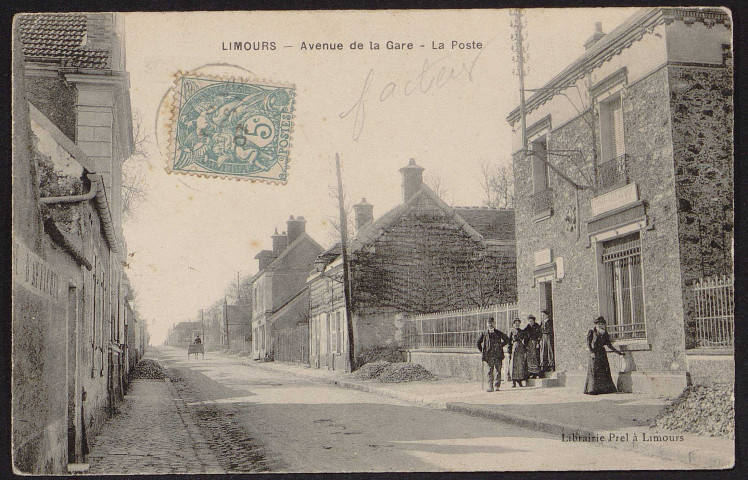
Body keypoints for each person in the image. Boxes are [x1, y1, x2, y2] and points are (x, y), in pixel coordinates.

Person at [584, 316, 625, 395]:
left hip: (602, 354)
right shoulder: (591, 332)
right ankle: (592, 389)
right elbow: (588, 344)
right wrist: (592, 352)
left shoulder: (605, 333)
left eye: (602, 324)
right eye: (599, 324)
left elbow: (609, 345)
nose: (601, 326)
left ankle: (603, 389)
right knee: (594, 371)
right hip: (594, 353)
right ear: (596, 325)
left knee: (603, 371)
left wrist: (619, 352)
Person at [477, 317, 510, 392]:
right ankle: (490, 386)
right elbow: (478, 343)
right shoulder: (484, 333)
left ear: (494, 323)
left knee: (498, 370)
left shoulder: (498, 332)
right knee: (489, 371)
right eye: (489, 323)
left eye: (491, 323)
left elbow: (507, 339)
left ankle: (497, 386)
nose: (490, 324)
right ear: (487, 324)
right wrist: (482, 351)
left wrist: (500, 345)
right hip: (489, 356)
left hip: (498, 355)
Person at [507, 318, 528, 387]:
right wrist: (509, 351)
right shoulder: (512, 331)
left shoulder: (522, 331)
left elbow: (525, 340)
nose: (517, 325)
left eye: (518, 323)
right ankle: (513, 382)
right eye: (516, 323)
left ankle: (520, 381)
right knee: (513, 365)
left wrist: (525, 348)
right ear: (513, 324)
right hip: (514, 349)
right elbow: (509, 342)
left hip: (520, 349)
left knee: (520, 365)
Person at [523, 314, 542, 379]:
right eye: (530, 321)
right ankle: (531, 373)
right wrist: (526, 345)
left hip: (535, 344)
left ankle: (537, 373)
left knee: (536, 357)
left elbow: (539, 335)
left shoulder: (537, 327)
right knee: (530, 359)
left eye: (532, 321)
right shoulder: (526, 329)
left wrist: (538, 343)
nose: (531, 322)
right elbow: (525, 338)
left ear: (534, 321)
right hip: (529, 345)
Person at [540, 309, 555, 373]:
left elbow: (550, 330)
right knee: (543, 350)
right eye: (542, 315)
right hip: (544, 337)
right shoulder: (542, 323)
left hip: (549, 336)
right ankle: (544, 366)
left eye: (544, 315)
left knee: (550, 350)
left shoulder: (550, 322)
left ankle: (551, 365)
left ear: (547, 315)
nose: (542, 316)